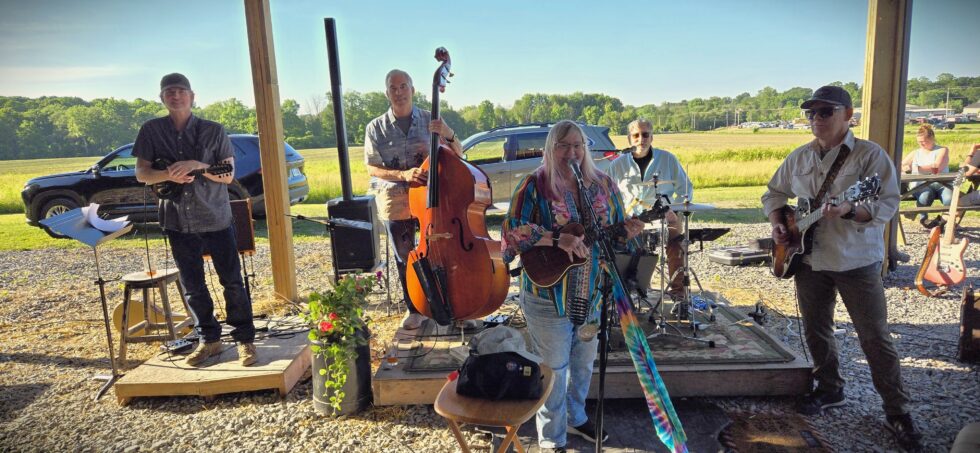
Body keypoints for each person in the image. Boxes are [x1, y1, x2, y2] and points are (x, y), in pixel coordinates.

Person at [762, 85, 923, 451]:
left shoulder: (869, 157)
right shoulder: (800, 157)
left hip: (855, 261)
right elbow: (774, 192)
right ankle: (830, 389)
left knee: (874, 337)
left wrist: (851, 210)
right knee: (816, 330)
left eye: (825, 112)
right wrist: (778, 221)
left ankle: (897, 411)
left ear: (848, 115)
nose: (815, 119)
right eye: (811, 113)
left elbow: (887, 203)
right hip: (809, 259)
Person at [501, 120, 644, 452]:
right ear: (551, 149)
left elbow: (615, 234)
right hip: (547, 293)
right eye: (564, 146)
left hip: (592, 293)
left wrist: (629, 231)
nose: (573, 153)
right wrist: (554, 238)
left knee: (582, 364)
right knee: (554, 369)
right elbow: (511, 231)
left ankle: (576, 416)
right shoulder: (534, 185)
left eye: (578, 145)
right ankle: (552, 438)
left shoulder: (604, 184)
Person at [133, 73, 257, 367]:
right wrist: (168, 174)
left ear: (192, 96)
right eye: (169, 92)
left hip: (214, 214)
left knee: (232, 282)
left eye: (181, 91)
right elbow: (141, 173)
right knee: (193, 286)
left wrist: (198, 166)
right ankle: (209, 341)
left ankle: (245, 341)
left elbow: (228, 174)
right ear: (162, 98)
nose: (176, 96)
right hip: (177, 219)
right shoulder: (150, 130)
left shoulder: (213, 130)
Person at [363, 69, 466, 331]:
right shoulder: (375, 127)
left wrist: (448, 131)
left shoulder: (431, 121)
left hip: (434, 202)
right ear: (387, 93)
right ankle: (416, 308)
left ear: (412, 89)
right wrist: (403, 174)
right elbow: (372, 167)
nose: (399, 92)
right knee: (405, 258)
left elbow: (459, 153)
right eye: (393, 88)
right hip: (396, 201)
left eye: (403, 86)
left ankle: (451, 303)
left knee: (444, 251)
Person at [606, 119, 694, 297]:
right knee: (611, 245)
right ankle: (619, 294)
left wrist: (673, 211)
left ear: (652, 137)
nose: (641, 139)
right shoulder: (617, 165)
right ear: (629, 138)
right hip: (630, 217)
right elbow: (606, 196)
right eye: (636, 135)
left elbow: (686, 190)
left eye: (645, 134)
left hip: (662, 216)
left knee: (677, 243)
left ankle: (679, 295)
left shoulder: (668, 159)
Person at [901, 124, 952, 227]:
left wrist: (916, 167)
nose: (922, 144)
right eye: (919, 142)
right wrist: (905, 168)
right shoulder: (915, 153)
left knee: (950, 199)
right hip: (921, 183)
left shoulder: (942, 150)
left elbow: (937, 168)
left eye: (924, 141)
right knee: (925, 195)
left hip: (942, 183)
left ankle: (944, 220)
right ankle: (924, 219)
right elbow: (901, 165)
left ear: (932, 138)